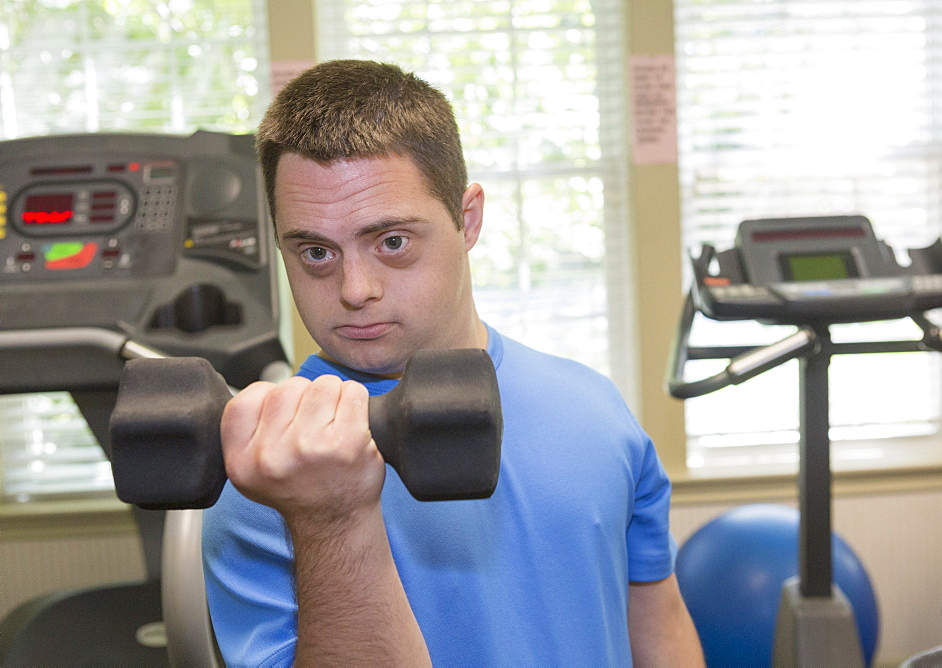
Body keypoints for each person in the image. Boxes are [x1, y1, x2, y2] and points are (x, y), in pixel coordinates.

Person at [201, 59, 704, 666]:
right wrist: (330, 519)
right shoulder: (267, 470)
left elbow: (657, 622)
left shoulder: (595, 407)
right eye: (315, 252)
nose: (355, 288)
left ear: (467, 219)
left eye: (392, 242)